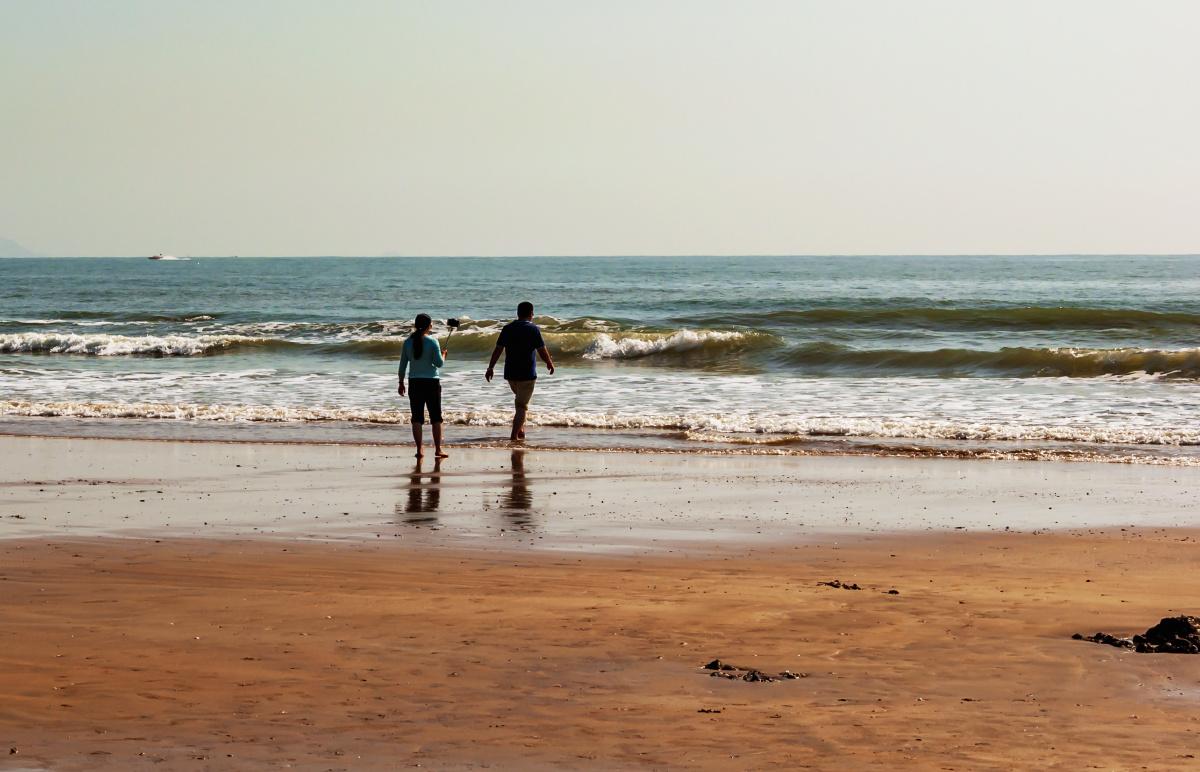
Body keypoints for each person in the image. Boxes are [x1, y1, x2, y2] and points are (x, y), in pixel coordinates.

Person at [485, 301, 555, 442]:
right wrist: (549, 363)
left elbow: (498, 349)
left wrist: (490, 367)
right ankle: (514, 436)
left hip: (511, 374)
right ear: (531, 314)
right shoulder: (533, 329)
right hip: (527, 373)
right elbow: (542, 350)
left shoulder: (507, 328)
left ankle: (521, 431)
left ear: (517, 314)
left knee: (519, 402)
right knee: (522, 406)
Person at [398, 313, 448, 458]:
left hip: (415, 382)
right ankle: (438, 449)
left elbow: (402, 366)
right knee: (436, 417)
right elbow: (439, 364)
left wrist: (401, 383)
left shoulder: (407, 343)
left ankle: (420, 449)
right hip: (431, 382)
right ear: (428, 327)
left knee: (417, 418)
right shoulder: (433, 342)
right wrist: (444, 354)